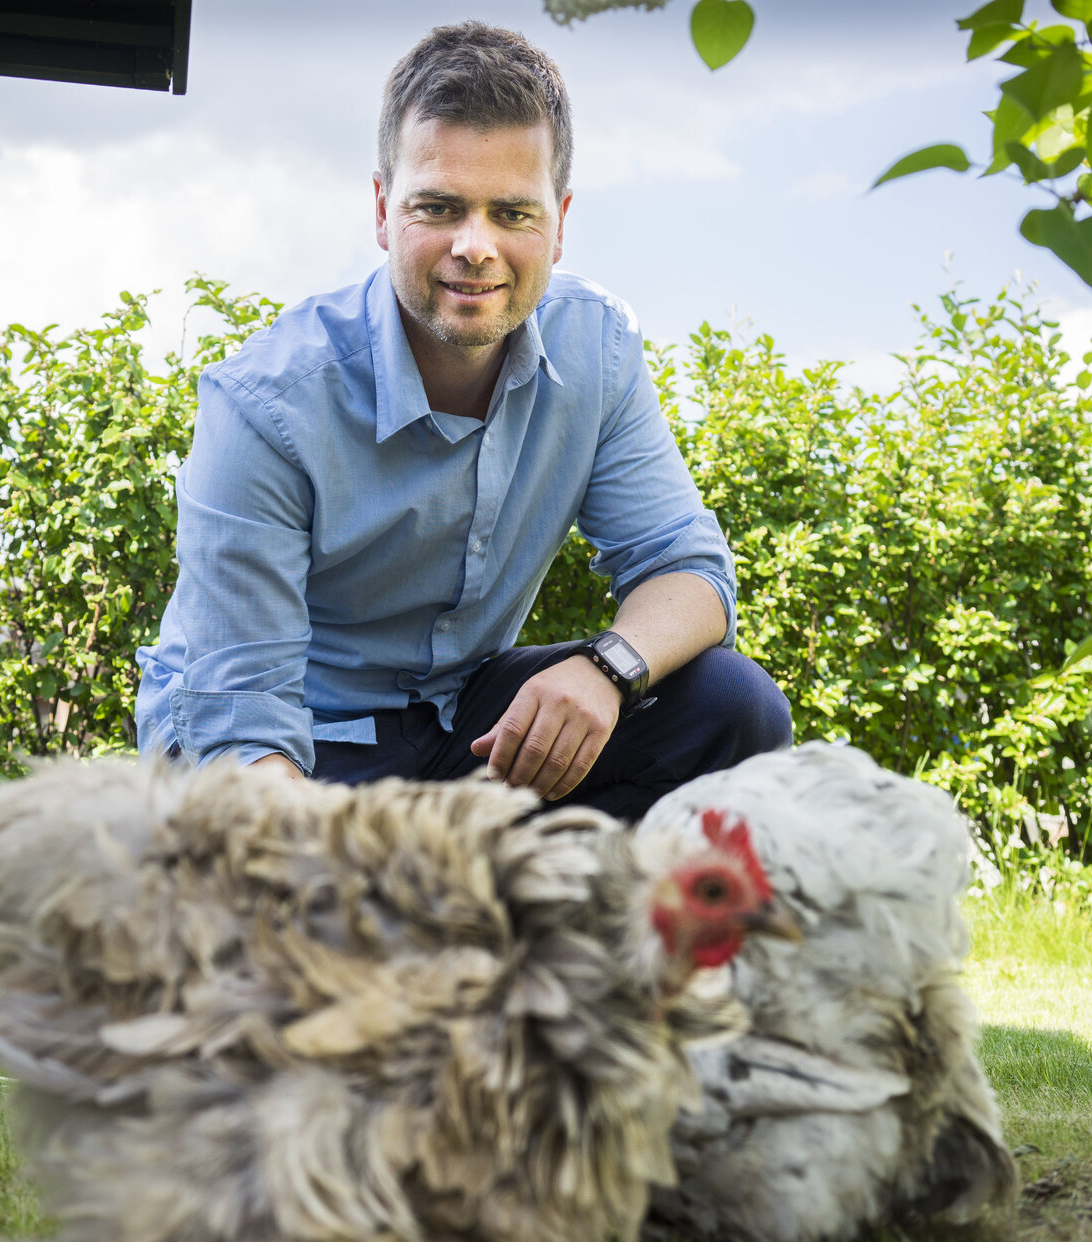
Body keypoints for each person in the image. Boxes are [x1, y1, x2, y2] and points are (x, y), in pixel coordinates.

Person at [134, 21, 790, 820]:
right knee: (288, 868)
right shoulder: (265, 405)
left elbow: (690, 571)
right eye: (439, 207)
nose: (476, 247)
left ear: (560, 220)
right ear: (384, 209)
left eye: (513, 212)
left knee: (731, 706)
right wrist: (325, 860)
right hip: (284, 740)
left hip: (459, 726)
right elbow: (243, 728)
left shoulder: (598, 349)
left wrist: (607, 669)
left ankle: (528, 900)